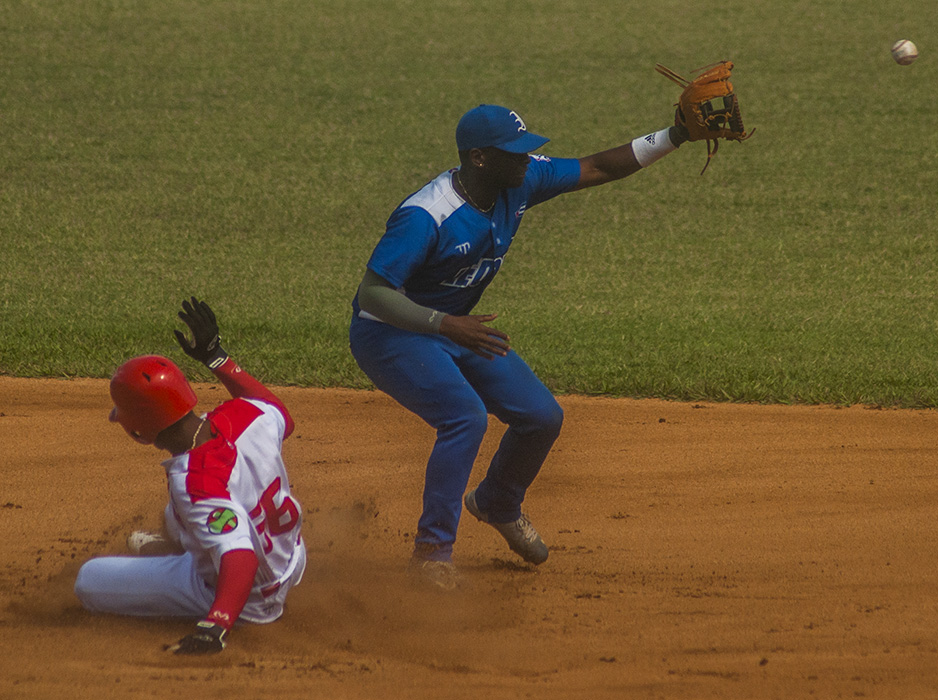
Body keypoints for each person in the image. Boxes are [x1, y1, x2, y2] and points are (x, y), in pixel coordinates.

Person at [349, 104, 691, 590]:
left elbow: (597, 166)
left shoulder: (519, 181)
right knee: (464, 417)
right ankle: (431, 554)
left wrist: (675, 135)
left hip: (457, 328)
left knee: (542, 417)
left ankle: (497, 502)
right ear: (480, 159)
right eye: (516, 153)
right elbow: (374, 294)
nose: (528, 161)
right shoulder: (427, 215)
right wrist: (444, 324)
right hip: (391, 333)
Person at [74, 298, 305, 655]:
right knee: (177, 519)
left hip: (251, 597)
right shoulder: (245, 414)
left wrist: (216, 625)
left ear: (139, 430)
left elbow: (240, 555)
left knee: (88, 581)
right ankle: (183, 550)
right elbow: (280, 415)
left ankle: (207, 588)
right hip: (291, 560)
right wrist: (217, 357)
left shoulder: (195, 483)